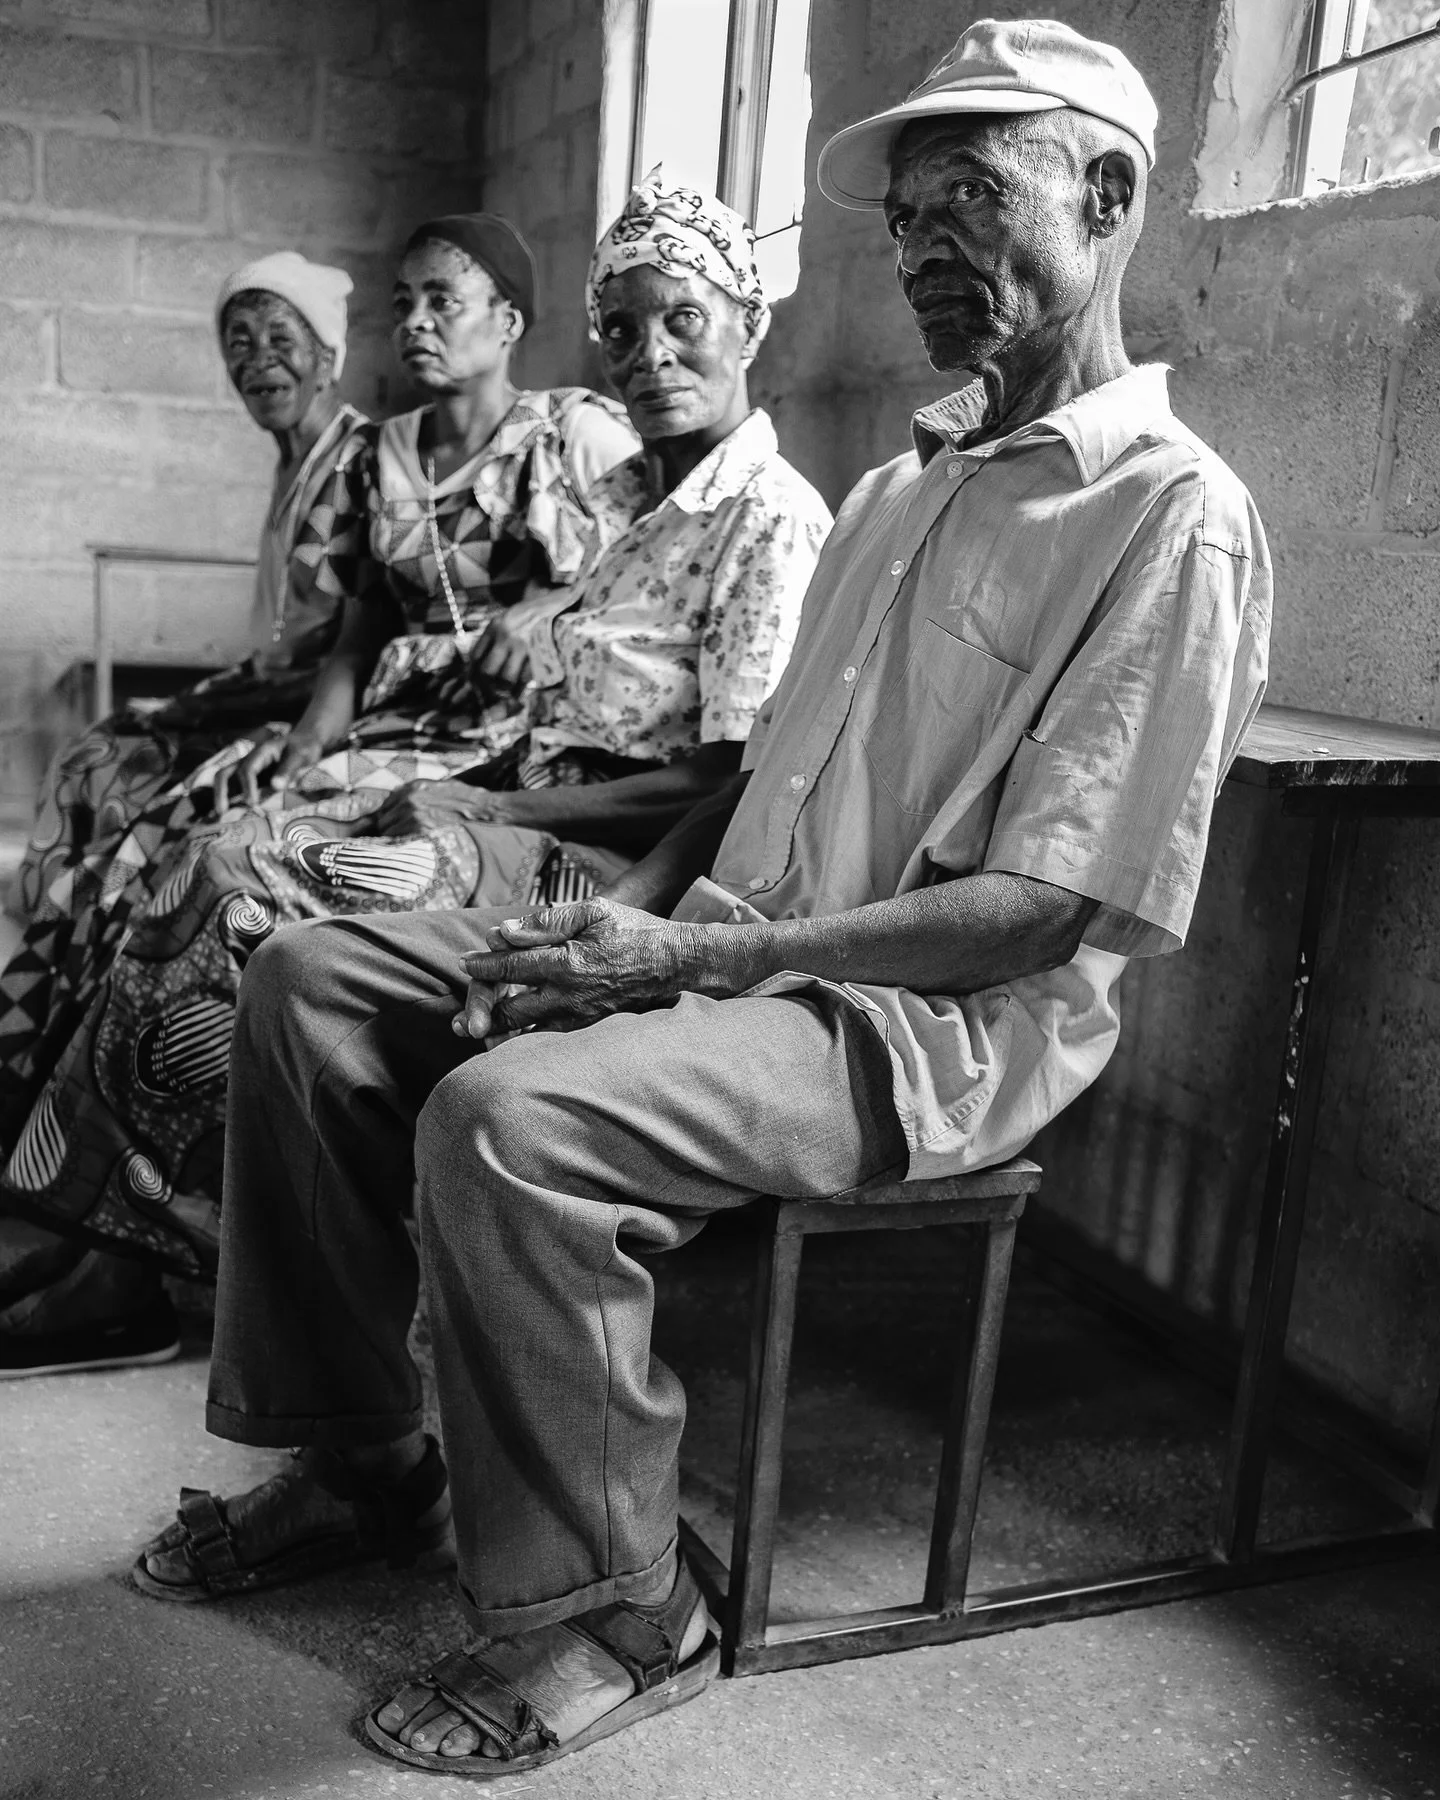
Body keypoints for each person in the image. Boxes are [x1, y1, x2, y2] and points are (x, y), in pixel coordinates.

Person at [140, 19, 1273, 1782]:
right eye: (904, 219)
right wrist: (627, 932)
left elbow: (1042, 915)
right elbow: (758, 778)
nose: (922, 253)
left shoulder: (1171, 520)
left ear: (1111, 195)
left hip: (912, 1028)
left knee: (509, 1127)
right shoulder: (906, 486)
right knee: (309, 978)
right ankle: (368, 1453)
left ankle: (624, 1607)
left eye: (972, 195)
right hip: (734, 948)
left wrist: (692, 956)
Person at [0, 184, 830, 1366]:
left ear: (748, 327)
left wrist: (489, 802)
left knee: (244, 884)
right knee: (210, 855)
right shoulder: (654, 510)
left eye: (684, 321)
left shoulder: (768, 516)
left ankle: (129, 1259)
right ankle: (111, 1240)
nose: (651, 356)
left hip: (602, 859)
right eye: (626, 330)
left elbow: (729, 778)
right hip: (528, 794)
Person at [15, 252, 366, 927]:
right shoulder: (296, 463)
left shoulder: (352, 466)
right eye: (240, 342)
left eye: (281, 339)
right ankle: (52, 942)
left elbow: (347, 650)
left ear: (328, 358)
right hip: (273, 691)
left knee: (107, 764)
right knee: (102, 745)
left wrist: (196, 711)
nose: (259, 360)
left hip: (314, 714)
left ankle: (68, 947)